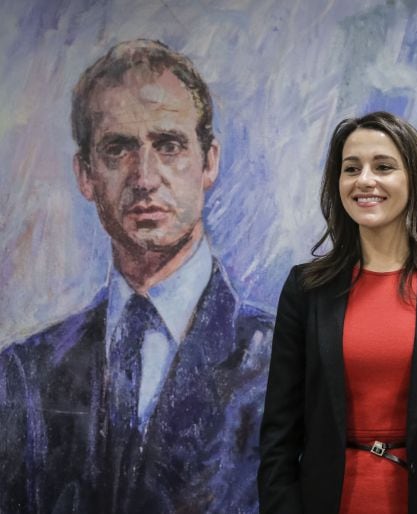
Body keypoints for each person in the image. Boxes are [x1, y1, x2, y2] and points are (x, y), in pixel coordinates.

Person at [0, 39, 272, 513]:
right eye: (118, 149)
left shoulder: (286, 358)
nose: (144, 177)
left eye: (168, 145)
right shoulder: (23, 375)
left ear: (209, 162)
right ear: (86, 174)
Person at [258, 111, 417, 514]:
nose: (365, 180)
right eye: (351, 168)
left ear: (414, 179)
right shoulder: (306, 289)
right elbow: (279, 435)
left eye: (384, 167)